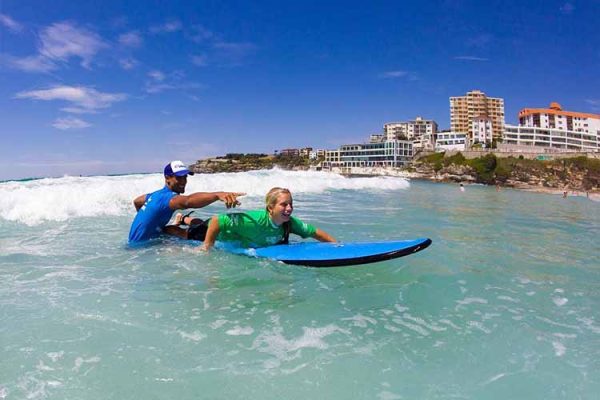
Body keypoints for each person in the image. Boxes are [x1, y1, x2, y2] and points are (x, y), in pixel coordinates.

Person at [128, 160, 245, 243]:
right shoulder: (168, 198)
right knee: (200, 231)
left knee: (172, 229)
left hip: (142, 242)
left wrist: (148, 220)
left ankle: (182, 220)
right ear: (167, 178)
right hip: (144, 249)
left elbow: (137, 202)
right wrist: (217, 195)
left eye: (185, 177)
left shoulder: (154, 195)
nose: (183, 181)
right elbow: (188, 201)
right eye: (179, 177)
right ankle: (183, 220)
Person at [200, 187, 336, 251]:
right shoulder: (253, 221)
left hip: (239, 237)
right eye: (283, 205)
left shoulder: (289, 223)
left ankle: (182, 219)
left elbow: (315, 232)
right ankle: (181, 222)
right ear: (270, 208)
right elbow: (216, 221)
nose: (289, 209)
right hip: (215, 234)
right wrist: (207, 246)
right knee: (188, 233)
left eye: (291, 204)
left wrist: (337, 246)